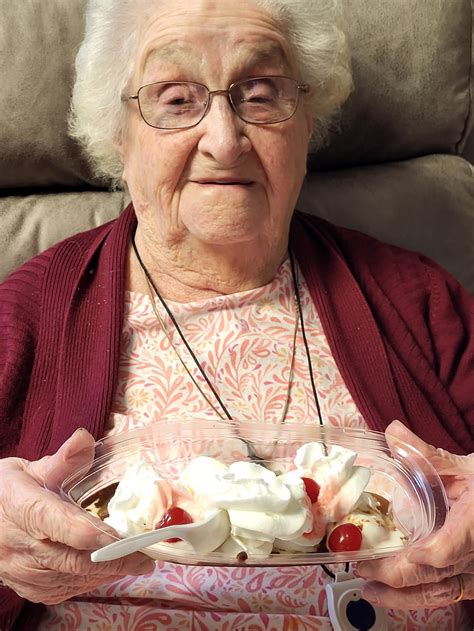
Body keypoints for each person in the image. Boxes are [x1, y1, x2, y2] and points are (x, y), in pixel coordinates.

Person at [0, 0, 472, 629]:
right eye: (176, 99)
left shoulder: (420, 301)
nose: (224, 142)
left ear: (307, 123)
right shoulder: (25, 318)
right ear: (119, 133)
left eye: (260, 94)